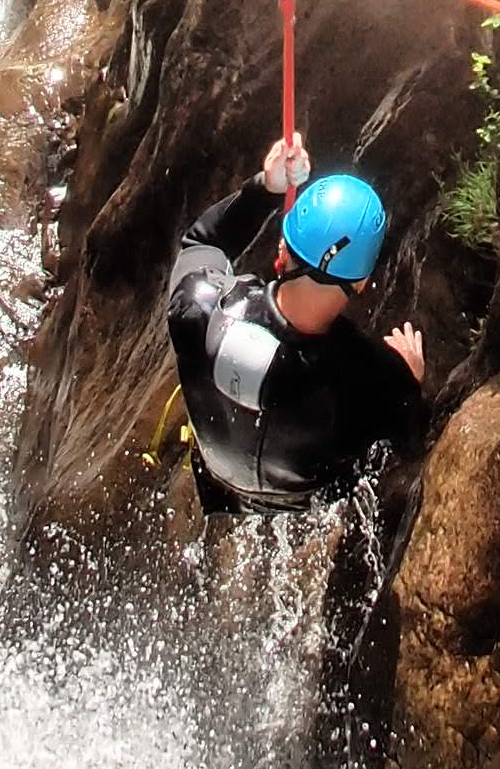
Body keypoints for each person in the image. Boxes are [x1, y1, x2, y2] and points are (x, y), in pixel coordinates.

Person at [165, 135, 427, 514]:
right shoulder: (375, 380)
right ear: (362, 283)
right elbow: (411, 434)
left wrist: (266, 188)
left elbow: (201, 242)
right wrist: (411, 379)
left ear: (282, 251)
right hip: (304, 501)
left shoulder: (199, 309)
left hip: (215, 476)